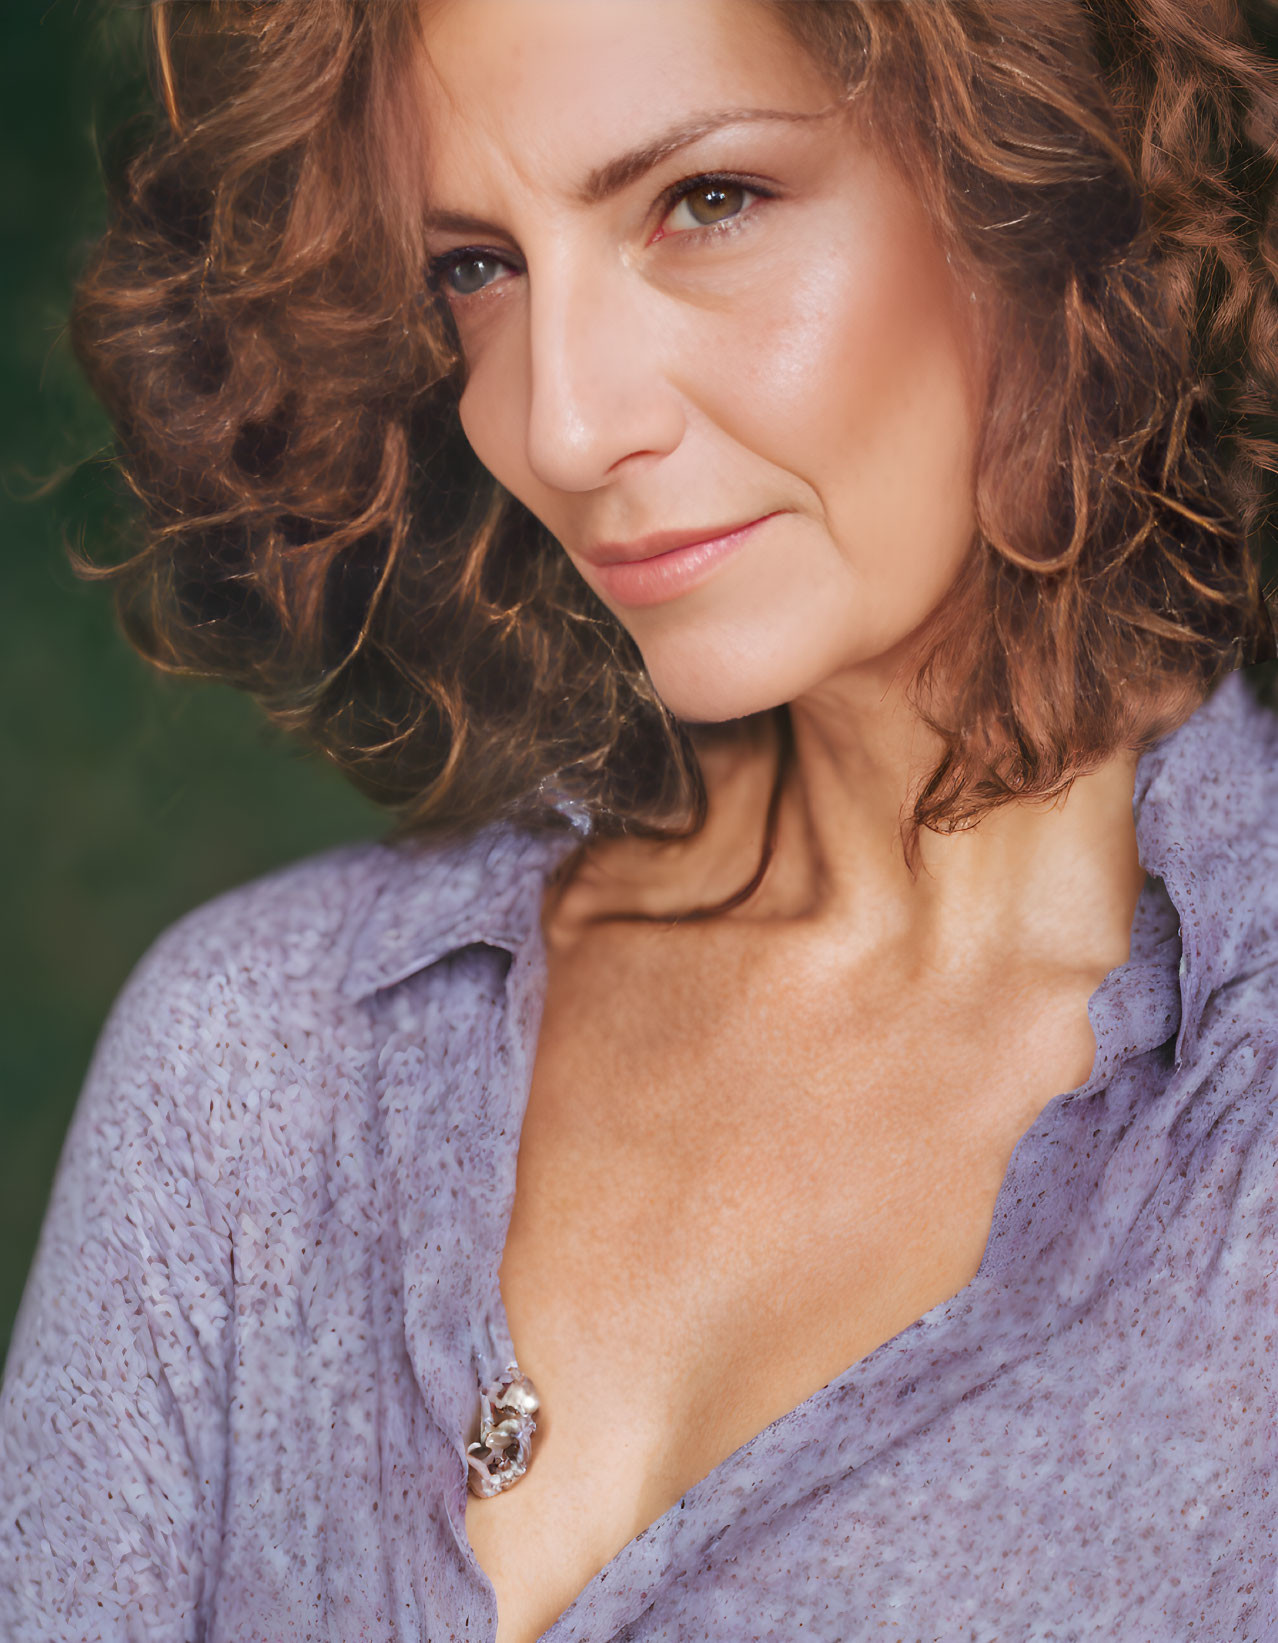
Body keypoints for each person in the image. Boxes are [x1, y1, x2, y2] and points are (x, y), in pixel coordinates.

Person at [3, 0, 1277, 1637]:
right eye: (478, 265)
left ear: (1057, 173)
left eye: (706, 203)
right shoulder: (272, 1054)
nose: (562, 424)